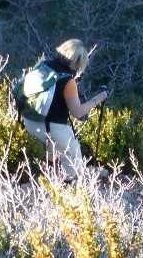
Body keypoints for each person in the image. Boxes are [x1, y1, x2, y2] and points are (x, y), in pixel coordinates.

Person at [20, 38, 108, 181]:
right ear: (78, 61)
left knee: (53, 144)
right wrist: (98, 98)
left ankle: (49, 178)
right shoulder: (68, 80)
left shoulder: (44, 66)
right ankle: (69, 187)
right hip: (51, 125)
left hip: (30, 121)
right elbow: (77, 112)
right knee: (73, 155)